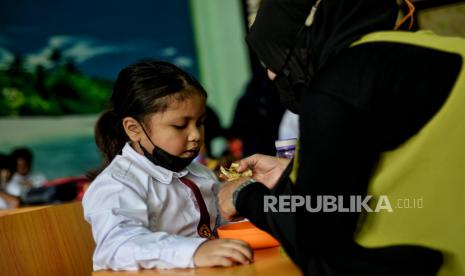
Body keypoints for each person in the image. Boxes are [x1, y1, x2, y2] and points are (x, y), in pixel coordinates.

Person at [218, 0, 465, 275]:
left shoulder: (341, 83)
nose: (271, 74)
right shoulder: (446, 47)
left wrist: (243, 195)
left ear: (306, 39)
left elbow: (314, 234)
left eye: (275, 56)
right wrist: (293, 171)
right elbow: (414, 163)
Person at [82, 60, 253, 271]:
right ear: (134, 128)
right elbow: (118, 246)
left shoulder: (202, 174)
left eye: (200, 122)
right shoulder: (116, 185)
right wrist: (194, 251)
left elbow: (225, 227)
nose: (195, 135)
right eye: (180, 126)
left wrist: (248, 197)